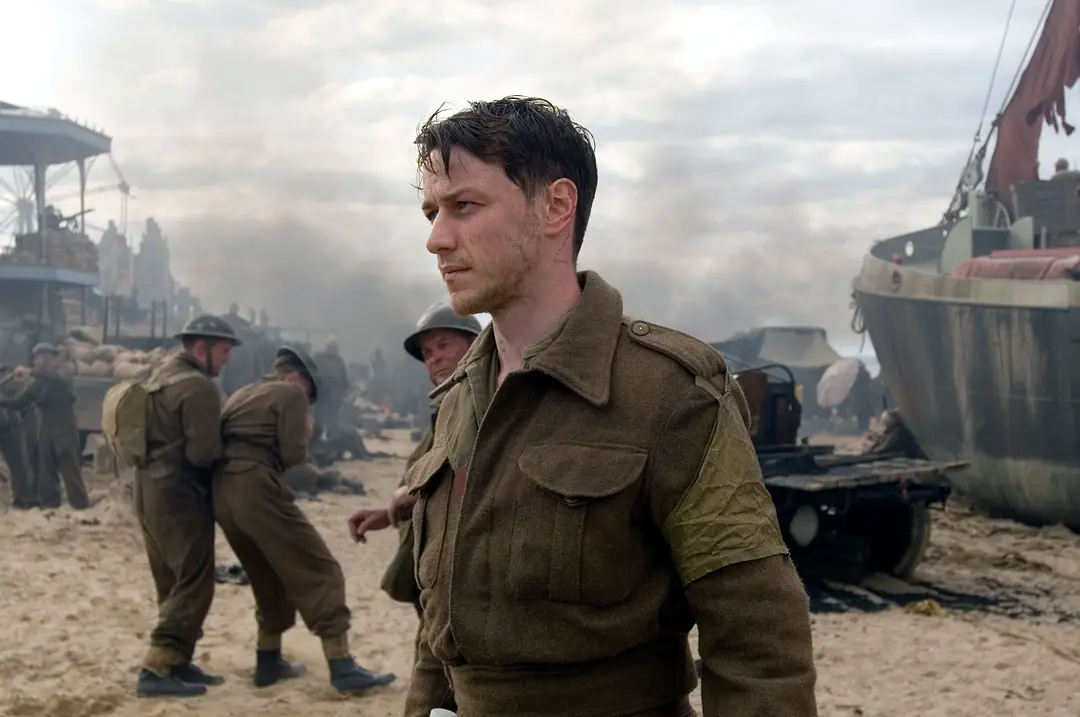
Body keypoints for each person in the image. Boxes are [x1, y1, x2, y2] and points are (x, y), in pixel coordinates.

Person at [402, 96, 818, 717]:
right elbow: (442, 633)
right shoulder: (462, 396)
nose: (436, 239)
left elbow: (758, 638)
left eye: (464, 206)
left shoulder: (668, 391)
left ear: (556, 206)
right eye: (433, 212)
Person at [212, 346, 395, 695]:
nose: (307, 398)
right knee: (320, 569)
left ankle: (268, 661)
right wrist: (304, 433)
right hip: (257, 487)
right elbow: (293, 455)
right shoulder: (291, 393)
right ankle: (342, 665)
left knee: (267, 573)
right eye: (309, 391)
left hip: (223, 493)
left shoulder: (243, 393)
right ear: (299, 378)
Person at [347, 302, 480, 696]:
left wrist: (414, 490)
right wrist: (388, 513)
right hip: (439, 577)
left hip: (466, 580)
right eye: (427, 352)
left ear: (477, 344)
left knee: (440, 689)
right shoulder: (449, 404)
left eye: (444, 344)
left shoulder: (486, 399)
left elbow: (479, 476)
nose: (434, 357)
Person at [134, 315, 240, 698]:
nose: (227, 359)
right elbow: (203, 453)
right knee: (194, 580)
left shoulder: (160, 376)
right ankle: (156, 667)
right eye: (224, 351)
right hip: (179, 493)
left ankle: (178, 660)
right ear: (201, 348)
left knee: (171, 579)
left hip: (147, 489)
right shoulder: (198, 387)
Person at [0, 343, 89, 510]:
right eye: (36, 358)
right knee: (45, 474)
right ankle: (51, 507)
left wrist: (28, 370)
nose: (39, 361)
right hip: (46, 432)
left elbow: (53, 376)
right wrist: (2, 401)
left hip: (65, 431)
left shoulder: (63, 372)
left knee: (70, 472)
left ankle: (80, 507)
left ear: (52, 358)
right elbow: (21, 402)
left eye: (42, 357)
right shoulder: (39, 383)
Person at [0, 364, 36, 509]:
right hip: (10, 425)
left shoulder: (11, 379)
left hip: (9, 427)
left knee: (20, 466)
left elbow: (24, 400)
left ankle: (21, 501)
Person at [312, 336, 348, 440]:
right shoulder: (318, 358)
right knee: (319, 417)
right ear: (326, 347)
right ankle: (316, 438)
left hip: (335, 395)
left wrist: (344, 391)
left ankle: (332, 438)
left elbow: (343, 378)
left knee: (333, 419)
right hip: (322, 393)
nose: (332, 349)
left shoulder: (339, 361)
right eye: (330, 347)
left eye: (334, 347)